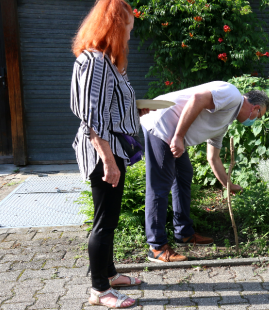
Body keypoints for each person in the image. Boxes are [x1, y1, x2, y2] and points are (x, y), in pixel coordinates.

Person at [70, 0, 150, 308]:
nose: (130, 35)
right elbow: (92, 116)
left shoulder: (107, 61)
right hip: (105, 150)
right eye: (128, 29)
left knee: (108, 218)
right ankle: (99, 290)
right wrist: (108, 160)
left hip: (112, 145)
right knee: (105, 221)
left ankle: (110, 273)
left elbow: (108, 107)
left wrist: (135, 110)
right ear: (115, 28)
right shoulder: (95, 61)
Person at [140, 81, 269, 262]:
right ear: (256, 108)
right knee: (159, 185)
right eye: (258, 116)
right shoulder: (232, 95)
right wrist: (178, 137)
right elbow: (197, 99)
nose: (255, 120)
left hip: (172, 131)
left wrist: (229, 185)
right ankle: (156, 247)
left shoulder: (225, 121)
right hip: (162, 124)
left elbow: (213, 158)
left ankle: (184, 233)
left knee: (183, 175)